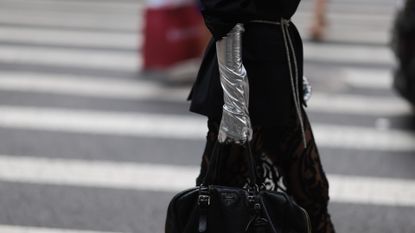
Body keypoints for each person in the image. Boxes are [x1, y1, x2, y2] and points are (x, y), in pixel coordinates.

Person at [188, 0, 336, 233]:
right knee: (218, 196)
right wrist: (235, 101)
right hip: (247, 72)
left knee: (311, 192)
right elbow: (221, 8)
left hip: (276, 68)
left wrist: (293, 75)